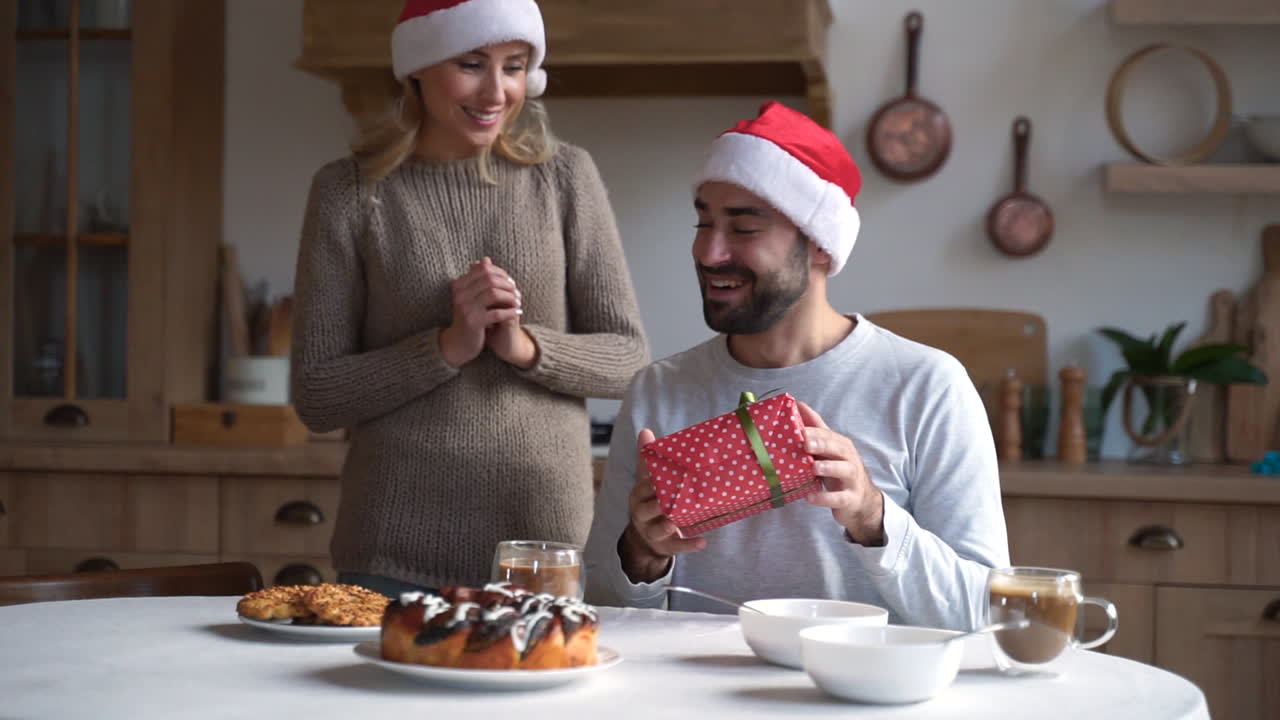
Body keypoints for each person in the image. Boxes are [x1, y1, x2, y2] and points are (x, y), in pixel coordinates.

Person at [583, 102, 1008, 630]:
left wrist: (872, 517)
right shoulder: (658, 391)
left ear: (821, 247)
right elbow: (598, 609)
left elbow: (986, 615)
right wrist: (641, 554)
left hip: (861, 683)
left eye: (743, 228)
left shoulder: (927, 387)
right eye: (703, 222)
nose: (709, 252)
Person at [291, 0, 648, 598]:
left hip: (540, 549)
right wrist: (446, 348)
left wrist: (524, 346)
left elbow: (628, 358)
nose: (496, 91)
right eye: (471, 63)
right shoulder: (348, 192)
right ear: (419, 66)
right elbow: (318, 395)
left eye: (514, 66)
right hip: (391, 551)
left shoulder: (565, 176)